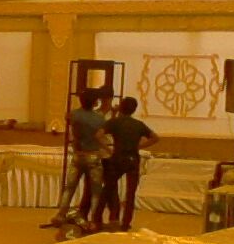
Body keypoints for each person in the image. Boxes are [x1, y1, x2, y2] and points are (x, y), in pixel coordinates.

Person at [45, 88, 111, 228]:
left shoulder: (73, 115)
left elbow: (68, 118)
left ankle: (61, 215)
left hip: (77, 154)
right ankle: (94, 220)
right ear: (95, 102)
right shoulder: (99, 118)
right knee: (95, 191)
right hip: (93, 155)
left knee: (69, 188)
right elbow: (102, 133)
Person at [92, 96, 158, 232]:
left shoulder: (114, 122)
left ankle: (97, 219)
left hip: (118, 158)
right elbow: (155, 138)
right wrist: (139, 146)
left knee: (107, 188)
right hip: (133, 159)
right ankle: (126, 223)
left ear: (121, 107)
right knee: (130, 193)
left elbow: (98, 135)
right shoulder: (138, 124)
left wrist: (108, 148)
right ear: (134, 109)